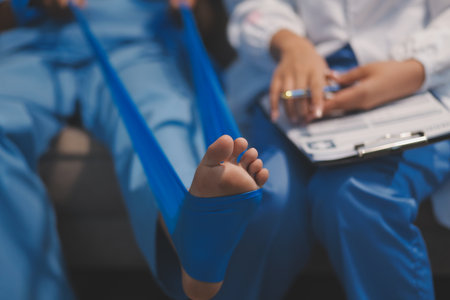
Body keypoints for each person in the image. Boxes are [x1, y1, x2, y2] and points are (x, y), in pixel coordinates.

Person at [0, 1, 277, 299]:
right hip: (35, 47)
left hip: (136, 45)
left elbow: (211, 17)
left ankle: (191, 235)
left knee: (160, 116)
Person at [226, 0, 450, 299]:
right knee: (266, 198)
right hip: (290, 90)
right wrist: (288, 42)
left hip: (417, 89)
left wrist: (415, 69)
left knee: (357, 197)